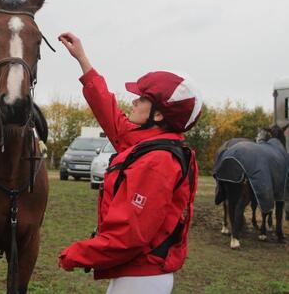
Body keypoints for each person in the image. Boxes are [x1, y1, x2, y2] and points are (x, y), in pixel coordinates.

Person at [57, 32, 202, 294]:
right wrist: (82, 60)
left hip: (141, 279)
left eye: (142, 98)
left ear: (158, 114)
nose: (133, 101)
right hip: (136, 273)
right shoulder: (147, 143)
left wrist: (78, 254)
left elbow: (129, 235)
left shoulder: (157, 161)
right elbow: (109, 113)